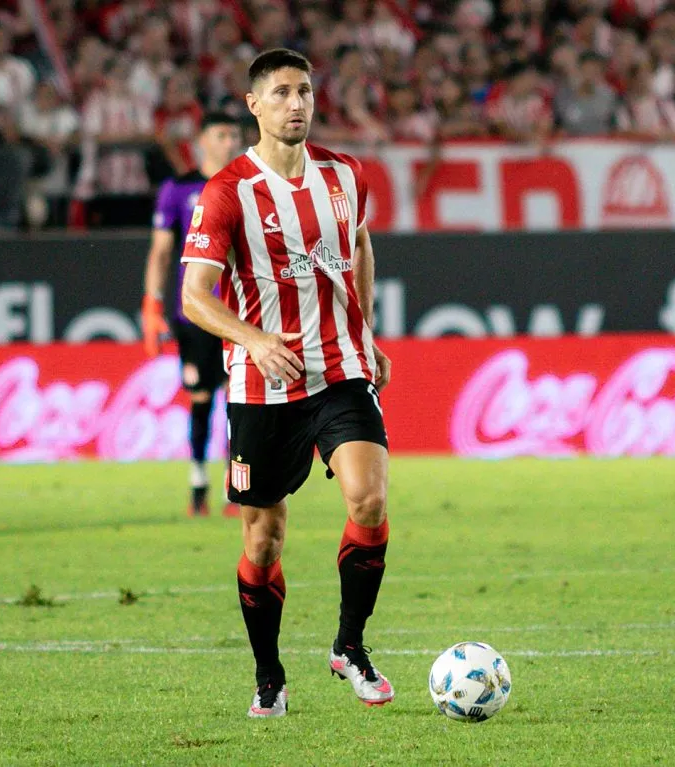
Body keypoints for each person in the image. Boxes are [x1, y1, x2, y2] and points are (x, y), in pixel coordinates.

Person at [180, 47, 393, 719]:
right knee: (263, 537)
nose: (296, 103)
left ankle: (349, 646)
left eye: (304, 90)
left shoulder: (346, 173)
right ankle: (269, 674)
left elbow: (359, 250)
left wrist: (368, 335)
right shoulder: (226, 190)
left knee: (368, 498)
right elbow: (193, 296)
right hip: (260, 382)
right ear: (254, 106)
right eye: (280, 93)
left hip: (338, 370)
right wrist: (254, 338)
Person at [142, 111, 243, 518]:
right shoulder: (178, 189)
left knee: (241, 401)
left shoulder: (249, 184)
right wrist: (152, 303)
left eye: (235, 134)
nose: (230, 142)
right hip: (198, 312)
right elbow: (162, 252)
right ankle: (198, 483)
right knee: (202, 397)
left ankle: (238, 487)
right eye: (222, 134)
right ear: (202, 140)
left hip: (241, 312)